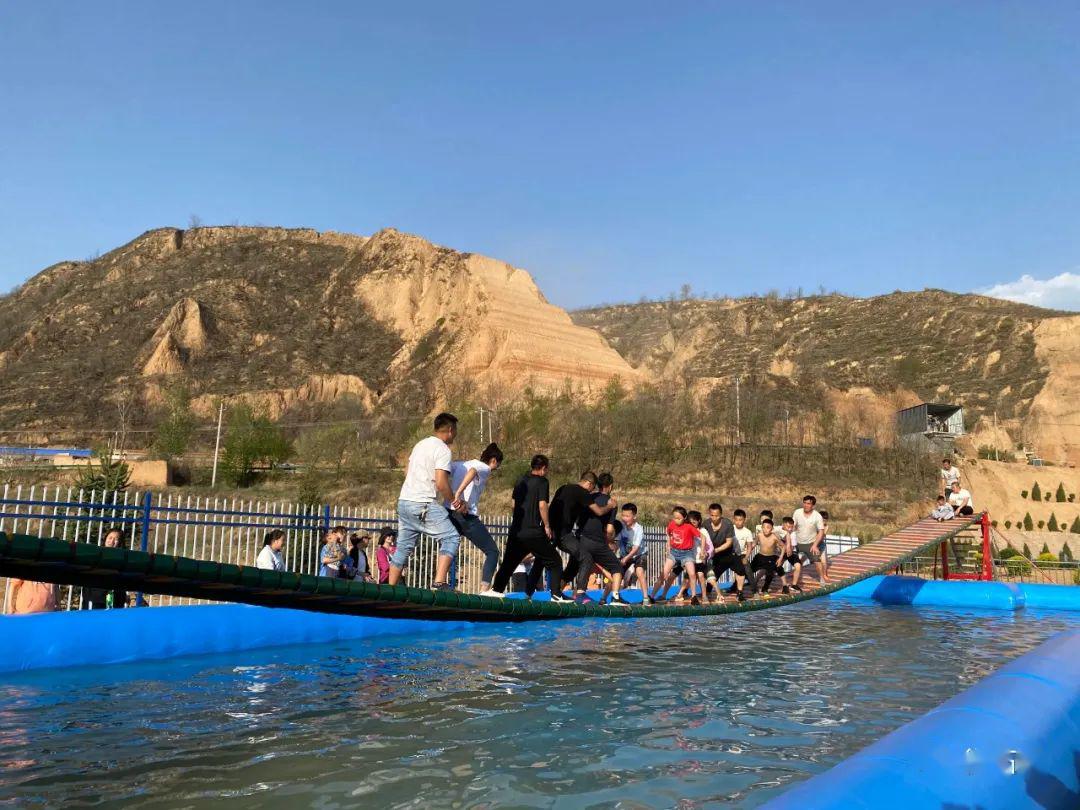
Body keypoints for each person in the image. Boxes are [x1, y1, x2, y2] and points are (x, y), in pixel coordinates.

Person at [391, 412, 466, 590]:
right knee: (451, 537)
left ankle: (388, 590)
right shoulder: (443, 449)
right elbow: (441, 482)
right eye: (455, 431)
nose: (455, 435)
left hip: (404, 502)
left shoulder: (420, 444)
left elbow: (406, 472)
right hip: (422, 503)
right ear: (450, 429)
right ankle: (438, 583)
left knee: (403, 548)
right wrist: (454, 500)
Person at [491, 454, 569, 601]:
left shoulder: (521, 480)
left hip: (516, 530)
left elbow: (514, 504)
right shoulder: (542, 482)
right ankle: (556, 595)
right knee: (555, 561)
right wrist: (547, 526)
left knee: (508, 564)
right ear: (543, 468)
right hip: (533, 531)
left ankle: (496, 591)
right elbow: (542, 505)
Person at [448, 443, 504, 595]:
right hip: (466, 515)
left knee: (449, 546)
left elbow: (445, 470)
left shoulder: (462, 464)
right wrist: (458, 493)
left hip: (449, 512)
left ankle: (439, 582)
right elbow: (473, 472)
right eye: (497, 466)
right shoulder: (484, 468)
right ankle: (484, 591)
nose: (495, 469)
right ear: (493, 461)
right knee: (492, 551)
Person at [548, 472, 613, 594]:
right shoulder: (584, 494)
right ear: (589, 484)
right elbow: (599, 513)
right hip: (567, 534)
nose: (591, 491)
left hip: (555, 531)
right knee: (586, 558)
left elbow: (552, 508)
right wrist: (610, 506)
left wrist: (548, 526)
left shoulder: (563, 488)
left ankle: (538, 593)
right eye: (591, 488)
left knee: (572, 561)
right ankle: (580, 593)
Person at [570, 473, 629, 606]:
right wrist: (610, 542)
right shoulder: (611, 502)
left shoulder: (588, 497)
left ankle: (564, 595)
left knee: (576, 568)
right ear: (611, 486)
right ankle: (615, 598)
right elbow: (609, 530)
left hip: (581, 538)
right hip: (596, 541)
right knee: (617, 567)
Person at [649, 507, 700, 605]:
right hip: (674, 553)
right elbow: (668, 533)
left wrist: (702, 549)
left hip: (686, 553)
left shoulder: (689, 527)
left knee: (692, 574)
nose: (676, 520)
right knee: (664, 574)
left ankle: (694, 597)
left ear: (684, 517)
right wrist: (668, 544)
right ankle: (652, 596)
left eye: (679, 518)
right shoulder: (672, 524)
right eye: (675, 518)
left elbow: (702, 536)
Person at [81, 528, 130, 609]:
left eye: (116, 539)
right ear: (105, 539)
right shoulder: (96, 554)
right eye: (110, 538)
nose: (112, 541)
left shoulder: (122, 558)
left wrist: (123, 595)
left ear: (120, 542)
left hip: (116, 598)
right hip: (95, 598)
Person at [707, 503, 747, 601]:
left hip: (729, 552)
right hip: (716, 555)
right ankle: (707, 592)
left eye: (716, 515)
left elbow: (729, 543)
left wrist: (715, 550)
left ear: (721, 515)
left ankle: (740, 593)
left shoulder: (727, 524)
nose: (714, 518)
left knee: (741, 570)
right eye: (712, 515)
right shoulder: (706, 524)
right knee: (713, 575)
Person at [617, 503, 651, 603]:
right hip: (625, 555)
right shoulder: (621, 527)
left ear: (634, 516)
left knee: (639, 572)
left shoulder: (638, 529)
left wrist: (626, 558)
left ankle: (645, 598)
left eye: (627, 516)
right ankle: (609, 597)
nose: (624, 518)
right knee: (617, 573)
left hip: (639, 554)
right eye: (623, 515)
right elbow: (617, 542)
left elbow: (636, 548)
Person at [792, 495, 828, 586]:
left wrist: (815, 545)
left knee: (817, 560)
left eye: (808, 504)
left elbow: (821, 532)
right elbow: (792, 527)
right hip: (797, 542)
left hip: (810, 543)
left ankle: (821, 578)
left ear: (813, 505)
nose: (806, 505)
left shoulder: (817, 516)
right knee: (783, 557)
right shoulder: (797, 512)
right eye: (804, 503)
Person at [750, 518, 786, 595]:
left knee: (770, 574)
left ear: (772, 529)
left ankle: (765, 589)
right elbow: (754, 544)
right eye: (764, 527)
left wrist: (780, 558)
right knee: (748, 570)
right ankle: (738, 586)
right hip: (760, 556)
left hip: (770, 557)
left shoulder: (774, 537)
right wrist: (748, 550)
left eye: (768, 527)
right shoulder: (759, 535)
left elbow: (783, 547)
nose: (766, 529)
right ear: (761, 528)